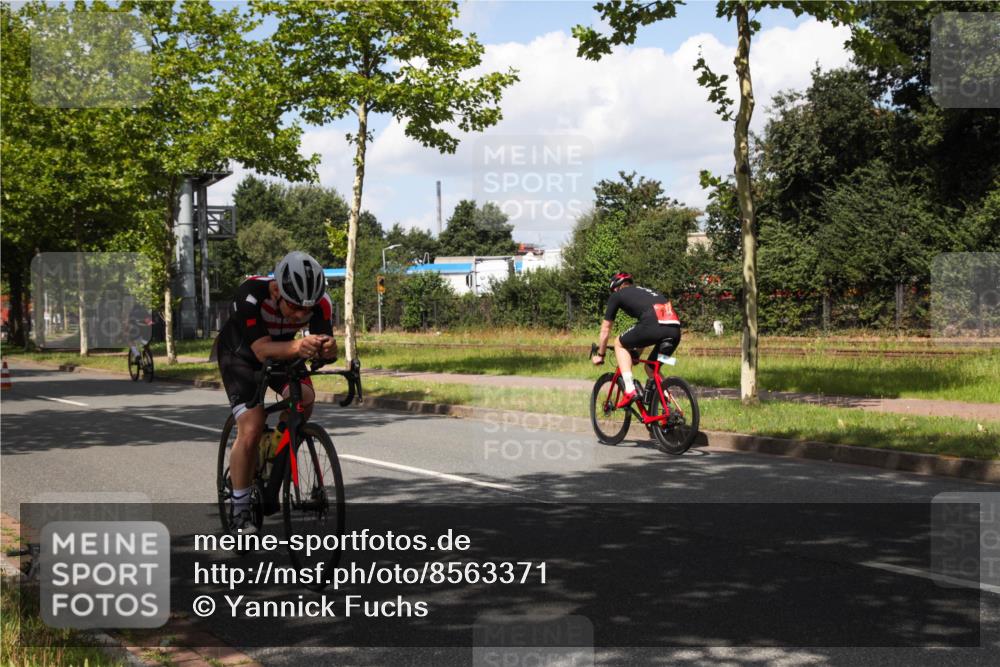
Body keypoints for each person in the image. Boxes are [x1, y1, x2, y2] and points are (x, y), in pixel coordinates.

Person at [215, 251, 337, 534]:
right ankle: (240, 509)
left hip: (282, 353)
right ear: (276, 290)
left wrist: (329, 349)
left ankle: (276, 443)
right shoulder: (251, 294)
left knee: (304, 400)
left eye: (306, 310)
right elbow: (260, 349)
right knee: (252, 425)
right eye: (294, 307)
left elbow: (323, 346)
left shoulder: (320, 304)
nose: (300, 314)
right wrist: (300, 346)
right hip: (240, 356)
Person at [591, 273, 681, 408]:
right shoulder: (647, 292)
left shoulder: (617, 295)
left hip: (653, 326)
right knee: (651, 369)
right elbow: (647, 330)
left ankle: (629, 389)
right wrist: (636, 354)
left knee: (618, 343)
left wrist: (600, 355)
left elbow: (605, 330)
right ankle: (670, 408)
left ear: (616, 287)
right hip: (674, 331)